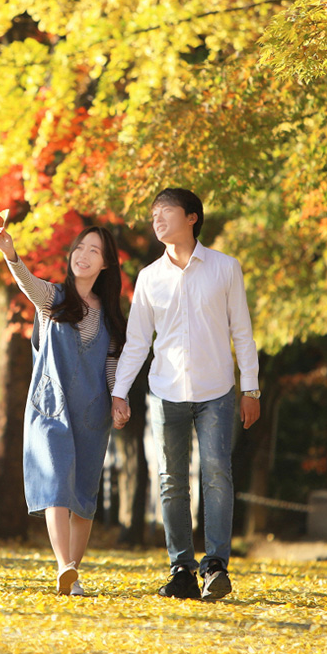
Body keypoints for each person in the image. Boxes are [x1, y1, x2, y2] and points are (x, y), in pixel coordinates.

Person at [111, 188, 260, 601]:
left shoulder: (225, 268)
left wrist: (252, 387)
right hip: (165, 392)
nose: (156, 219)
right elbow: (137, 342)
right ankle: (181, 568)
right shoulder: (149, 277)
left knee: (216, 473)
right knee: (171, 481)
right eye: (153, 213)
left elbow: (242, 333)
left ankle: (215, 566)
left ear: (192, 217)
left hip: (217, 391)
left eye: (166, 212)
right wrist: (119, 393)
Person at [0, 223, 128, 596]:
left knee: (82, 495)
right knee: (55, 484)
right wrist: (10, 254)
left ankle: (72, 575)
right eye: (79, 248)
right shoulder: (53, 298)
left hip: (92, 412)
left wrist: (119, 400)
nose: (82, 255)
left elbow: (112, 365)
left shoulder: (111, 316)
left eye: (93, 251)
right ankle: (63, 565)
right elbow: (28, 284)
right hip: (49, 408)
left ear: (106, 264)